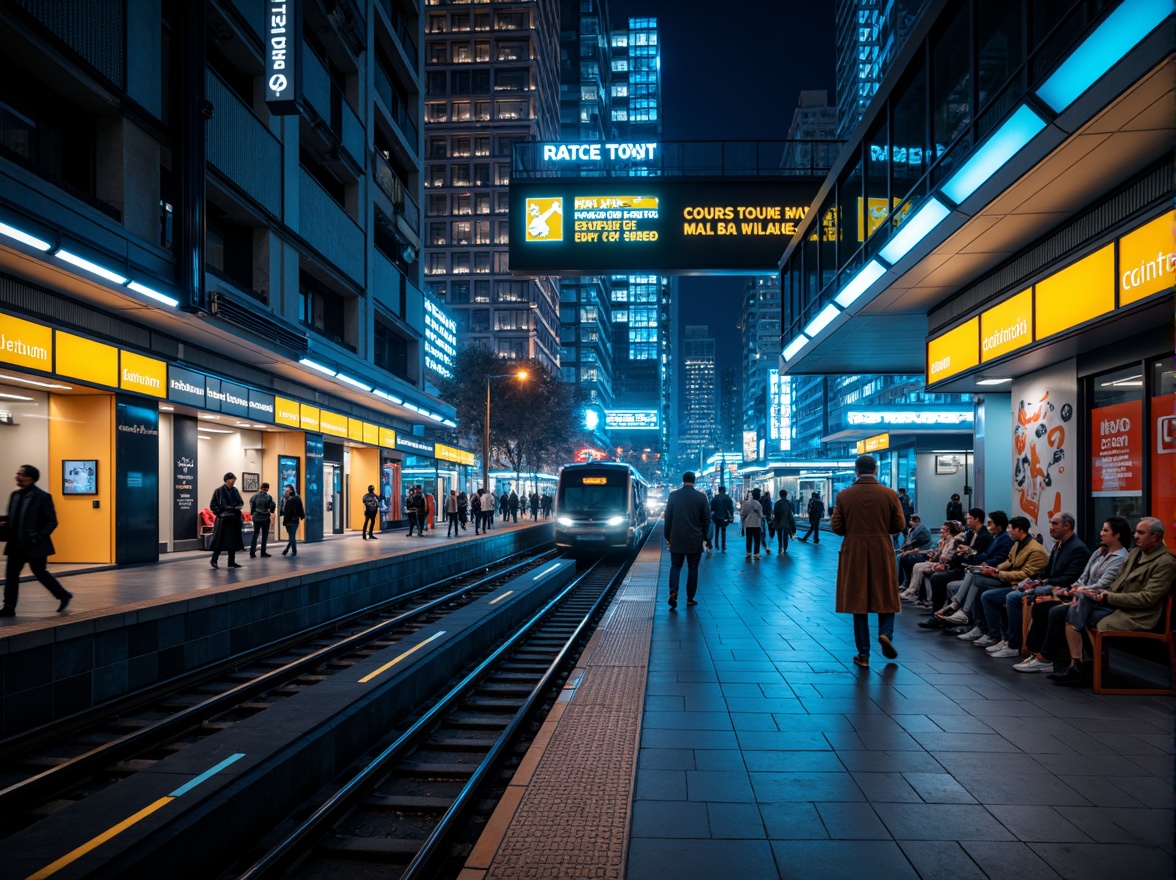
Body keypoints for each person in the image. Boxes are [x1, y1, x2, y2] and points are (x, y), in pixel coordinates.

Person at [1048, 517, 1176, 686]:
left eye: (1141, 533)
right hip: (1117, 606)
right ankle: (1078, 665)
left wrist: (1106, 595)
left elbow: (1147, 598)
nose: (1136, 536)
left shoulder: (1165, 562)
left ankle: (1081, 666)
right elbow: (1116, 584)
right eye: (1136, 532)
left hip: (1138, 615)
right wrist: (1097, 593)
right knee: (1075, 604)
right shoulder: (1135, 553)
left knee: (1076, 610)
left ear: (1156, 537)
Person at [1013, 517, 1131, 673]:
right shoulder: (1099, 551)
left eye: (1105, 530)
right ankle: (1036, 653)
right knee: (1040, 605)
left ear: (1117, 535)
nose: (1101, 533)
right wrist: (1070, 590)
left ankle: (1047, 657)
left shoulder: (1120, 558)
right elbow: (1083, 577)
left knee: (1053, 610)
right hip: (1080, 595)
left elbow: (1102, 584)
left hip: (1095, 601)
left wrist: (1075, 591)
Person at [978, 512, 1090, 659]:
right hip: (1044, 585)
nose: (1050, 527)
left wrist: (1041, 582)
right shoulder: (1059, 545)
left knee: (1013, 597)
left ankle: (1015, 643)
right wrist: (1036, 581)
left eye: (1054, 524)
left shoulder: (1077, 548)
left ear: (1067, 526)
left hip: (1061, 590)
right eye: (1050, 523)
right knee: (987, 593)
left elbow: (1069, 578)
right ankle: (999, 636)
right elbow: (1046, 571)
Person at [830, 455, 906, 666]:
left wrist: (853, 531)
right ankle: (885, 634)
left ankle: (863, 655)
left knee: (858, 602)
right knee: (886, 595)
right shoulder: (889, 494)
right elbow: (899, 525)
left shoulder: (844, 495)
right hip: (882, 548)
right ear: (875, 470)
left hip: (854, 551)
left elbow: (836, 527)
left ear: (856, 470)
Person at [1, 464, 72, 616]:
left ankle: (63, 595)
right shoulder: (15, 495)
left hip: (35, 544)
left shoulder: (42, 497)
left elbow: (52, 521)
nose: (17, 476)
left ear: (30, 477)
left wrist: (38, 536)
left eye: (20, 474)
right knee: (11, 575)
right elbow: (13, 517)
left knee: (40, 572)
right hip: (16, 544)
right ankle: (8, 607)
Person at [664, 471, 710, 610]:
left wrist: (668, 536)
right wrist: (704, 537)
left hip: (677, 538)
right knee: (693, 568)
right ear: (694, 481)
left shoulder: (673, 496)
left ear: (683, 480)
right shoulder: (701, 497)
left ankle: (673, 592)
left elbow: (668, 518)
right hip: (695, 539)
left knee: (675, 566)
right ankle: (690, 598)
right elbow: (706, 520)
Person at [208, 472, 245, 569]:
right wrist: (220, 513)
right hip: (224, 519)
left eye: (234, 480)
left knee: (233, 540)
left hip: (234, 518)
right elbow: (213, 505)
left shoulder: (235, 490)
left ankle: (231, 561)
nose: (233, 481)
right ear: (227, 480)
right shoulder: (219, 491)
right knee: (220, 540)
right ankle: (214, 559)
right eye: (232, 479)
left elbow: (240, 501)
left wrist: (238, 506)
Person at [249, 481, 276, 557]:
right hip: (265, 517)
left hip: (256, 517)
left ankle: (252, 552)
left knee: (255, 534)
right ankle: (263, 552)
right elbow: (271, 508)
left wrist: (252, 514)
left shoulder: (254, 496)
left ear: (261, 488)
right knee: (265, 535)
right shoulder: (269, 497)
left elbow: (252, 507)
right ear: (267, 489)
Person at [740, 488, 765, 559]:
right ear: (758, 496)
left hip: (748, 523)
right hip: (757, 524)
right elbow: (761, 515)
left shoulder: (746, 503)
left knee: (749, 538)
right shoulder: (758, 504)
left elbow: (742, 513)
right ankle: (756, 554)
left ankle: (748, 553)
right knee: (757, 539)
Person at [280, 484, 305, 556]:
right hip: (288, 519)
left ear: (291, 489)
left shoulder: (295, 498)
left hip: (293, 519)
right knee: (291, 535)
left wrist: (301, 515)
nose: (285, 490)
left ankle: (292, 550)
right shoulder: (285, 498)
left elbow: (300, 508)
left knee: (291, 535)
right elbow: (282, 508)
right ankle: (288, 549)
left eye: (287, 488)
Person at [709, 485, 735, 552]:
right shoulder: (728, 498)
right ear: (725, 490)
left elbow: (712, 508)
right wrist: (731, 516)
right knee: (723, 531)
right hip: (724, 517)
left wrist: (711, 515)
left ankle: (717, 546)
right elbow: (731, 509)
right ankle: (723, 547)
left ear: (719, 490)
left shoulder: (715, 498)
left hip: (717, 517)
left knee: (717, 531)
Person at [773, 489, 796, 554]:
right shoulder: (789, 503)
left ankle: (780, 547)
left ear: (780, 495)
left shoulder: (777, 503)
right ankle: (785, 547)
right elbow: (793, 512)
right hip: (787, 521)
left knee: (779, 535)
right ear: (786, 495)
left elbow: (775, 513)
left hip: (779, 520)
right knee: (786, 535)